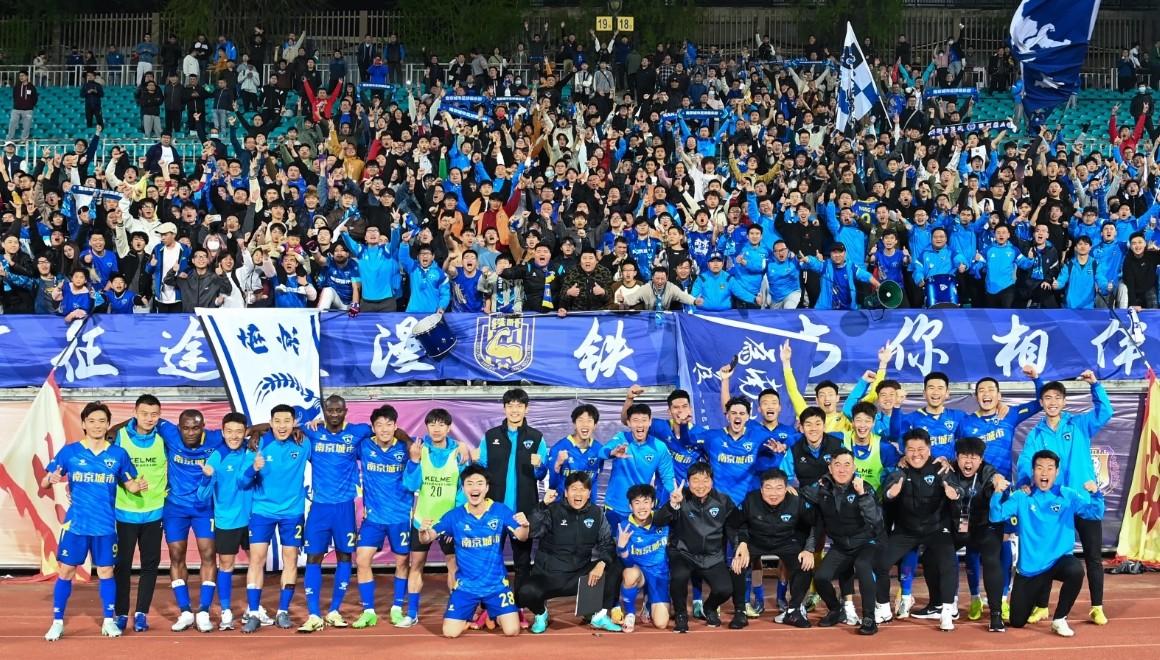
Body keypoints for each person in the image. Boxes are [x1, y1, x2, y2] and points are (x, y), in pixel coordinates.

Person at [1016, 370, 1112, 626]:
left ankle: (1097, 606)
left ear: (1064, 401)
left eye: (1057, 397)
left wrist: (1095, 385)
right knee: (1048, 555)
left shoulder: (1079, 424)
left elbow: (1105, 412)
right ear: (1041, 402)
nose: (1052, 402)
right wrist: (1025, 482)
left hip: (1083, 500)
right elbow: (1026, 461)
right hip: (1053, 503)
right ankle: (1042, 606)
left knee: (1093, 555)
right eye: (1047, 398)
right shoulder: (1036, 434)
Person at [43, 402, 143, 642]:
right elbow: (45, 481)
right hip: (76, 525)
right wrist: (51, 478)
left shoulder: (118, 454)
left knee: (106, 571)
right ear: (84, 424)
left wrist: (138, 486)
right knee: (66, 570)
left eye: (101, 421)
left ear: (108, 424)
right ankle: (57, 622)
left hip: (105, 525)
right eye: (92, 421)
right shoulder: (70, 452)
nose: (97, 425)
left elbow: (130, 485)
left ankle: (108, 621)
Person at [991, 450, 1104, 636]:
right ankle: (1037, 600)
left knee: (1076, 571)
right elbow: (996, 516)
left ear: (1057, 472)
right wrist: (997, 492)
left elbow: (1094, 513)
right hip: (1031, 569)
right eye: (1040, 468)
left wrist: (1096, 494)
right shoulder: (1021, 497)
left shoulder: (1068, 495)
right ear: (1033, 471)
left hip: (1058, 561)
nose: (1044, 473)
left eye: (1050, 468)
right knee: (1017, 622)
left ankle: (1059, 619)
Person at [416, 464, 531, 638]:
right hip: (466, 587)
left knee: (512, 631)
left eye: (479, 483)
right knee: (450, 633)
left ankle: (493, 614)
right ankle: (477, 615)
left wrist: (525, 526)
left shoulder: (500, 511)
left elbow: (522, 536)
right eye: (469, 484)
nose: (474, 488)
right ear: (463, 489)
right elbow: (427, 538)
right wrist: (422, 532)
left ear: (487, 487)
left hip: (496, 586)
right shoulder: (454, 516)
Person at [874, 428, 964, 632]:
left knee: (949, 563)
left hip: (936, 529)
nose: (916, 454)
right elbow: (886, 495)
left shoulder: (941, 468)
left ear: (929, 449)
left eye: (921, 449)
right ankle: (883, 608)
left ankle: (947, 611)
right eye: (911, 449)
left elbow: (956, 488)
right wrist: (891, 494)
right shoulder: (899, 470)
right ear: (904, 451)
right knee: (880, 562)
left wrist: (955, 493)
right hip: (906, 530)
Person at [475, 388, 548, 627]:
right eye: (510, 405)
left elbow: (541, 473)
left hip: (522, 513)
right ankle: (489, 609)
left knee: (522, 564)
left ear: (526, 409)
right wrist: (472, 461)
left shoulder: (536, 437)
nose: (514, 410)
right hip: (494, 511)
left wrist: (540, 466)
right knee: (490, 561)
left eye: (519, 406)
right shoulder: (490, 436)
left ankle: (519, 608)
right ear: (504, 408)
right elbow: (481, 470)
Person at [299, 395, 372, 632]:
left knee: (345, 557)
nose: (334, 414)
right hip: (319, 508)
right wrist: (254, 433)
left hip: (344, 508)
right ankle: (313, 614)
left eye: (338, 410)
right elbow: (283, 428)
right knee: (313, 558)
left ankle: (334, 611)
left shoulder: (358, 431)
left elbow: (387, 432)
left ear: (345, 411)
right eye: (329, 410)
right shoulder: (312, 431)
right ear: (324, 410)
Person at [111, 394, 178, 633]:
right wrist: (126, 484)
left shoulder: (164, 439)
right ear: (135, 413)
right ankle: (121, 613)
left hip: (154, 514)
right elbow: (110, 467)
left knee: (150, 565)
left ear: (159, 416)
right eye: (144, 414)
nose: (149, 419)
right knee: (123, 566)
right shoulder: (118, 436)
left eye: (154, 415)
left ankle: (141, 613)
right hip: (125, 513)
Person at [519, 471, 619, 633]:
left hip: (578, 576)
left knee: (615, 564)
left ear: (589, 493)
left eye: (583, 489)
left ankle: (598, 615)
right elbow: (533, 531)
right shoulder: (552, 510)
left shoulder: (596, 513)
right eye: (574, 489)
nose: (578, 494)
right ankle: (541, 613)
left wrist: (601, 563)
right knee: (525, 592)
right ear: (566, 493)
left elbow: (607, 543)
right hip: (548, 576)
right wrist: (542, 506)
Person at [241, 404, 310, 633]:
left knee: (291, 560)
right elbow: (243, 481)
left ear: (294, 423)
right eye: (277, 421)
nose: (282, 426)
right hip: (262, 512)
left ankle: (282, 611)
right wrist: (253, 468)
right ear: (270, 423)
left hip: (292, 513)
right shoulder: (258, 443)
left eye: (287, 421)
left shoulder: (303, 442)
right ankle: (253, 612)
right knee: (256, 559)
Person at [399, 408, 470, 628]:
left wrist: (454, 522)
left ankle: (456, 613)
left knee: (453, 566)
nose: (436, 429)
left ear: (449, 427)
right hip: (422, 520)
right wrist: (413, 461)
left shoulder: (458, 452)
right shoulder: (420, 450)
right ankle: (412, 613)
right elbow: (410, 485)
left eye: (441, 424)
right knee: (416, 564)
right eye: (432, 424)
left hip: (448, 522)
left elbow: (463, 491)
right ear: (427, 427)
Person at [800, 448, 883, 635]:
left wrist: (862, 495)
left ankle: (869, 618)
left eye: (847, 465)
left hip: (867, 543)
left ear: (854, 468)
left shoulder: (864, 487)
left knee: (863, 566)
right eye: (837, 465)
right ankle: (836, 610)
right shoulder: (822, 489)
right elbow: (804, 498)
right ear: (830, 468)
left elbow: (875, 520)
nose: (842, 469)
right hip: (841, 546)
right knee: (820, 577)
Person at [936, 436, 1010, 632]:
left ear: (981, 459)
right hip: (957, 526)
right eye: (964, 457)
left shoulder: (988, 472)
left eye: (973, 458)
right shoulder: (948, 470)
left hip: (984, 527)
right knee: (936, 554)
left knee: (991, 560)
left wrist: (997, 482)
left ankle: (996, 614)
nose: (968, 462)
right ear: (956, 456)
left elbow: (995, 478)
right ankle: (945, 606)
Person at [658, 463, 741, 633]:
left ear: (712, 482)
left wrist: (741, 545)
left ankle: (709, 608)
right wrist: (672, 505)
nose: (700, 485)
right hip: (683, 553)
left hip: (712, 556)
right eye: (695, 480)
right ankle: (681, 615)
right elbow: (658, 521)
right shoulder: (679, 498)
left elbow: (736, 525)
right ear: (688, 482)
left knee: (725, 589)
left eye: (705, 480)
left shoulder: (723, 501)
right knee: (678, 578)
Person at [352, 405, 414, 628]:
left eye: (389, 424)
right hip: (373, 518)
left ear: (396, 426)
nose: (385, 429)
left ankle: (397, 607)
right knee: (362, 559)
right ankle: (369, 611)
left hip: (400, 517)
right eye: (379, 425)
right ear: (373, 428)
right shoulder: (364, 446)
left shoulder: (407, 448)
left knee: (402, 562)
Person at [733, 468, 816, 628]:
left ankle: (793, 611)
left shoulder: (797, 501)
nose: (773, 493)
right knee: (737, 564)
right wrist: (741, 544)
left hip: (786, 542)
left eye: (779, 488)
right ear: (761, 489)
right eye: (768, 488)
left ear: (786, 489)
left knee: (805, 565)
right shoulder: (750, 499)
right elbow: (734, 523)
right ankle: (740, 611)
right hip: (756, 541)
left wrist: (808, 549)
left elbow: (813, 524)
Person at [165, 409, 223, 633]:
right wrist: (111, 432)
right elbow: (138, 421)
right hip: (175, 508)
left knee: (208, 554)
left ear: (203, 427)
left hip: (204, 508)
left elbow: (244, 430)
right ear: (178, 428)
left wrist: (257, 433)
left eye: (195, 428)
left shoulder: (215, 438)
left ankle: (204, 611)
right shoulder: (168, 432)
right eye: (186, 428)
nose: (190, 433)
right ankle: (185, 611)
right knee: (176, 555)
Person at [195, 413, 252, 631]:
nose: (234, 436)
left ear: (245, 432)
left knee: (257, 563)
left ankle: (254, 608)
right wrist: (207, 477)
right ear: (222, 432)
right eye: (229, 431)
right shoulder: (217, 456)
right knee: (226, 566)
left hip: (254, 518)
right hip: (228, 521)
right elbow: (202, 496)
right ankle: (226, 610)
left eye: (239, 431)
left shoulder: (252, 450)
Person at [615, 484, 672, 633]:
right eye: (637, 502)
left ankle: (648, 602)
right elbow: (627, 563)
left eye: (646, 502)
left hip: (660, 574)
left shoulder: (663, 521)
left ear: (653, 503)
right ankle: (630, 614)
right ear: (630, 506)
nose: (642, 507)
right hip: (639, 572)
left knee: (661, 624)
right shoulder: (624, 527)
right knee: (629, 574)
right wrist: (622, 548)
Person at [546, 404, 606, 501]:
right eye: (580, 420)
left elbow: (594, 480)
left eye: (589, 420)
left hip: (588, 506)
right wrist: (557, 465)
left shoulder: (599, 450)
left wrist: (593, 504)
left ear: (595, 425)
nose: (585, 424)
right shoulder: (559, 448)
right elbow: (552, 485)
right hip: (563, 505)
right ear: (574, 424)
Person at [7, 70, 37, 141]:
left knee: (27, 125)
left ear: (27, 77)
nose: (21, 77)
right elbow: (14, 96)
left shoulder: (31, 87)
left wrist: (30, 105)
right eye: (20, 76)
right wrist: (17, 103)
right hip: (16, 109)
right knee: (12, 122)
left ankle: (24, 139)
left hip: (28, 110)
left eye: (23, 76)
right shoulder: (17, 86)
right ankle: (9, 139)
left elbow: (35, 98)